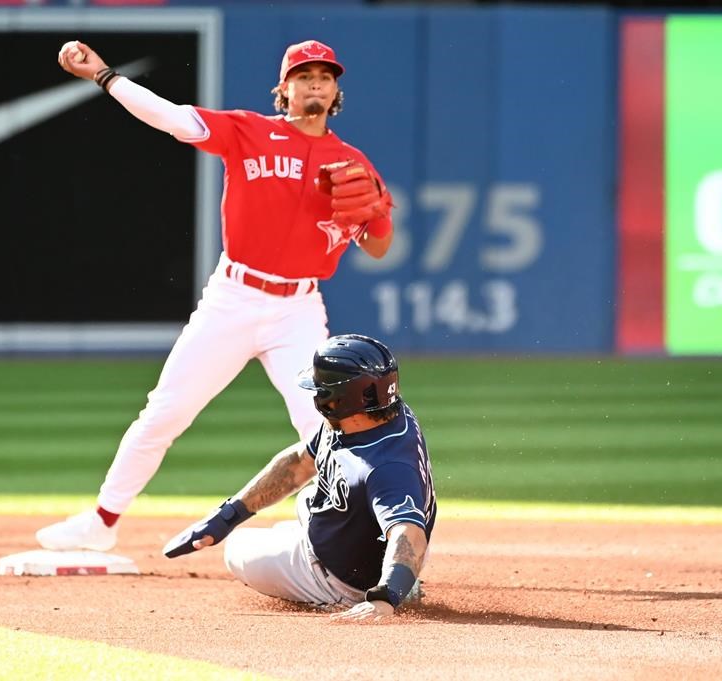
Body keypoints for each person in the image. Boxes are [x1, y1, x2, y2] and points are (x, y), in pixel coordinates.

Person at [37, 40, 394, 552]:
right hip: (234, 297)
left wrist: (377, 212)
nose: (315, 81)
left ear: (336, 89)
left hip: (298, 309)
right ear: (284, 89)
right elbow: (172, 118)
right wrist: (105, 76)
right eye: (303, 74)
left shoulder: (351, 161)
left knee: (325, 426)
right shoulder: (249, 131)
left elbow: (378, 246)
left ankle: (343, 535)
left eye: (325, 75)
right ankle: (102, 522)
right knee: (165, 411)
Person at [162, 334, 437, 622]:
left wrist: (386, 598)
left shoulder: (385, 467)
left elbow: (409, 533)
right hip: (368, 538)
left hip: (342, 579)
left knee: (238, 547)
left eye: (321, 390)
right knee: (307, 497)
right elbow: (298, 464)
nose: (317, 395)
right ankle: (397, 573)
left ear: (340, 399)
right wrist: (227, 515)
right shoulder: (370, 417)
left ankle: (373, 587)